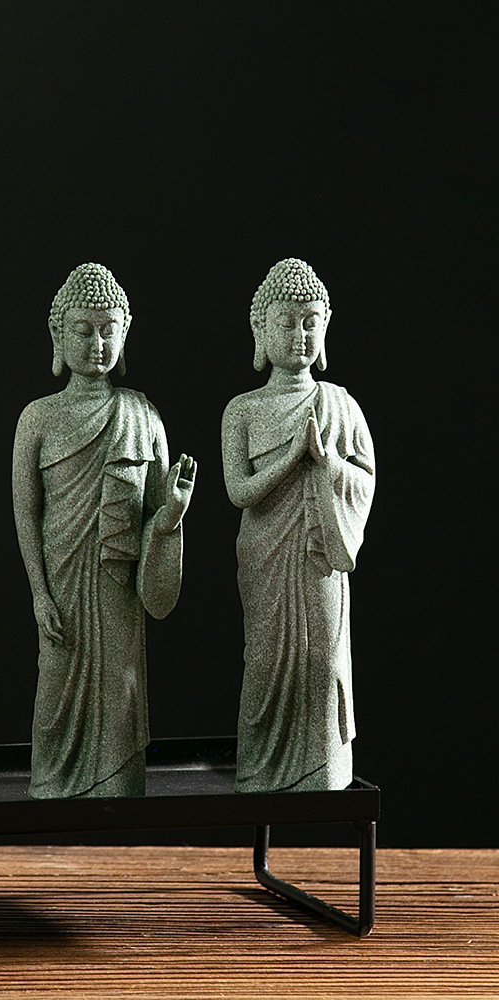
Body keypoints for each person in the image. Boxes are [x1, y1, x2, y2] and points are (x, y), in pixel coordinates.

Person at [13, 263, 195, 799]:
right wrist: (38, 592)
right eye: (83, 330)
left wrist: (173, 514)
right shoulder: (37, 418)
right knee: (56, 687)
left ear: (124, 335)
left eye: (108, 330)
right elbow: (26, 512)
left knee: (120, 685)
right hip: (62, 583)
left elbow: (157, 515)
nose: (97, 343)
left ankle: (117, 789)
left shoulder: (142, 415)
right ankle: (54, 788)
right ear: (58, 335)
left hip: (118, 589)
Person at [221, 259, 375, 793]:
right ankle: (261, 770)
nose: (299, 335)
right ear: (260, 330)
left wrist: (327, 464)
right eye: (286, 323)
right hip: (265, 554)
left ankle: (323, 768)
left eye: (311, 323)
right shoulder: (242, 410)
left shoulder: (339, 405)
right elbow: (239, 492)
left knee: (322, 659)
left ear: (325, 329)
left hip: (319, 557)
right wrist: (293, 458)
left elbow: (365, 477)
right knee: (265, 661)